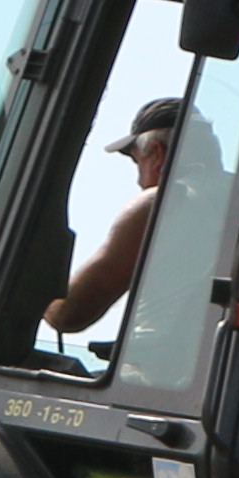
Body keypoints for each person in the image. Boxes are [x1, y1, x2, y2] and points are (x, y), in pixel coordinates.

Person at [46, 95, 186, 337]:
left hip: (157, 369)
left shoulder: (160, 204)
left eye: (137, 162)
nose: (138, 180)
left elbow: (71, 315)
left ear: (157, 154)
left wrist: (34, 297)